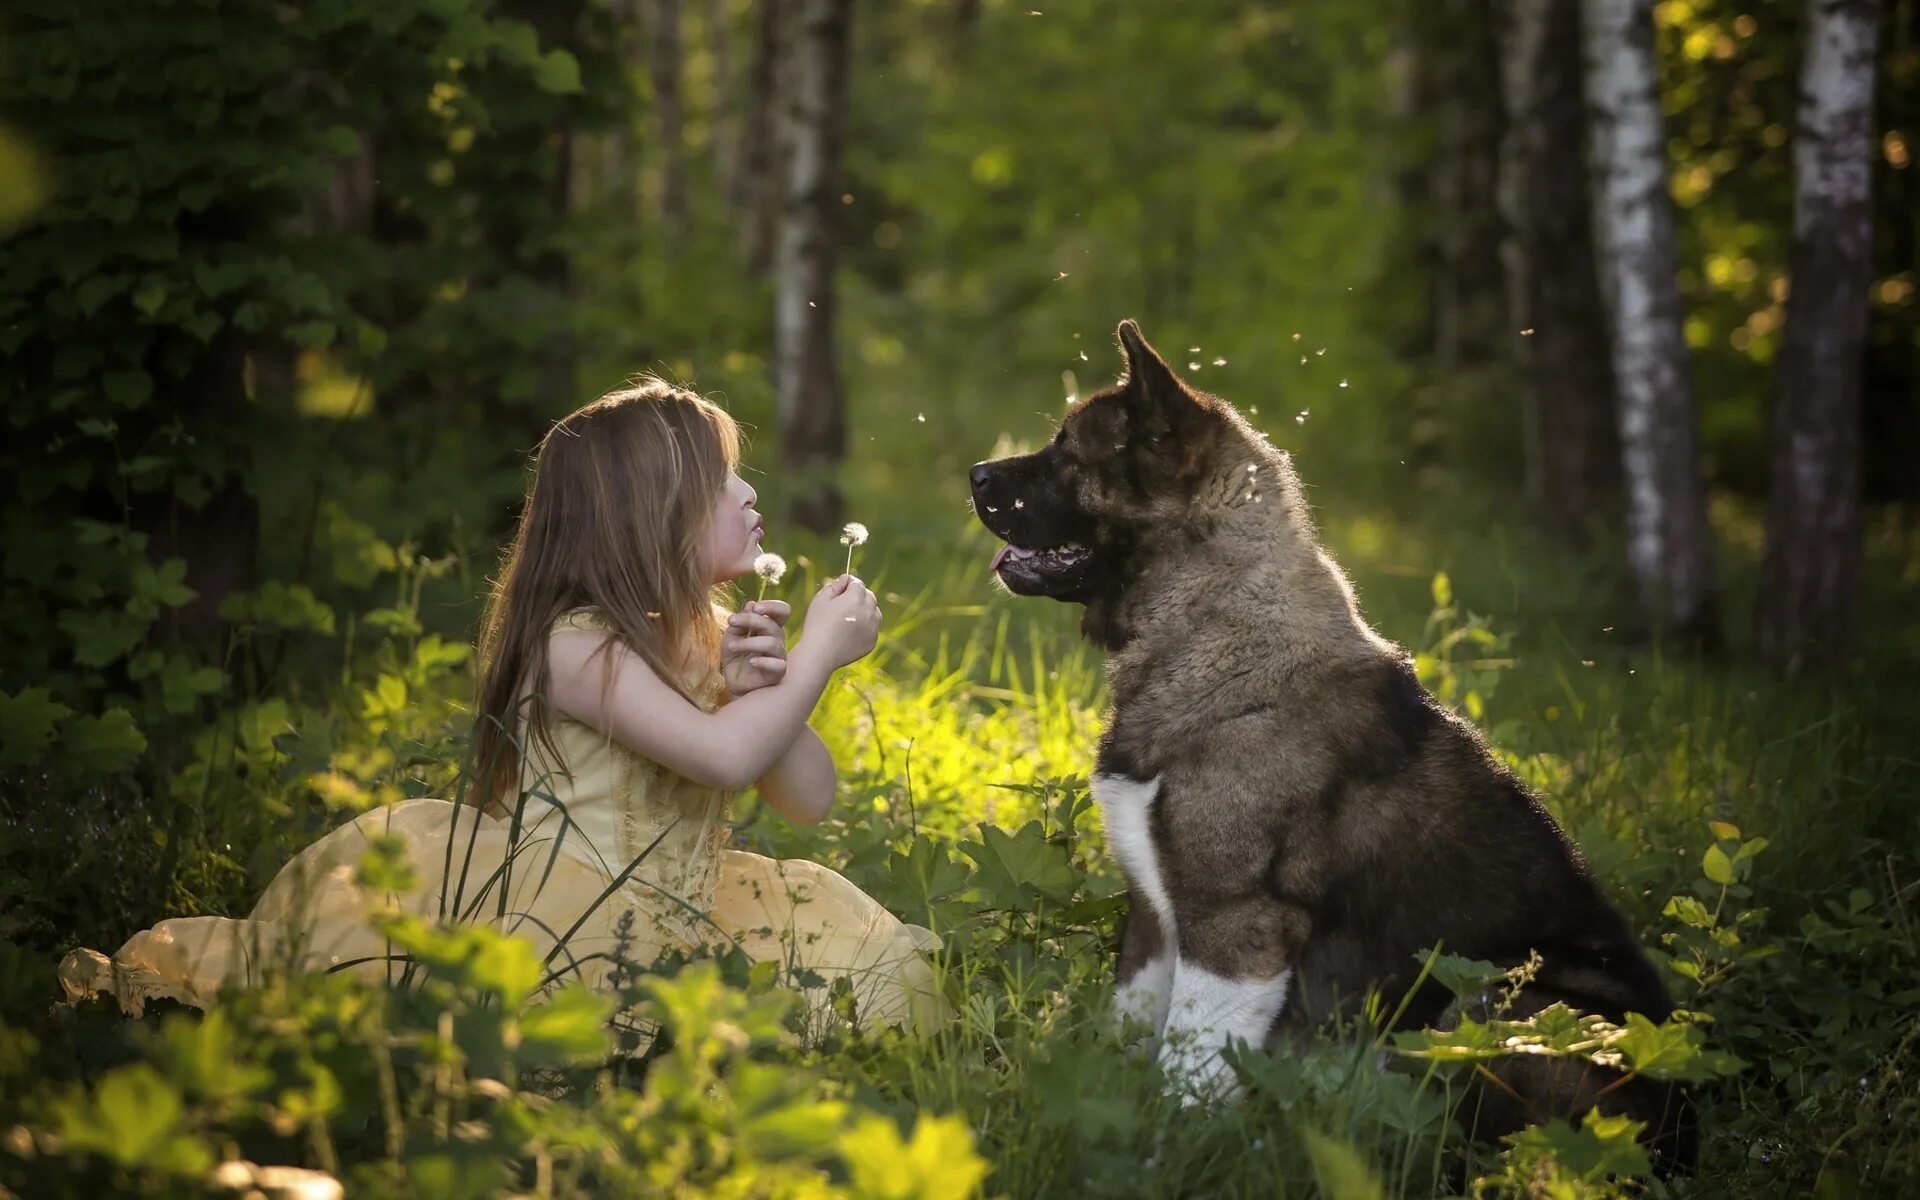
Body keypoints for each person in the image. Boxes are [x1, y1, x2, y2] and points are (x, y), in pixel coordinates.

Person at [59, 378, 945, 1036]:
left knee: (880, 978)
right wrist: (820, 659)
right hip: (568, 909)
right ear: (656, 513)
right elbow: (720, 760)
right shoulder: (576, 643)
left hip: (691, 905)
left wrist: (770, 689)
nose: (751, 496)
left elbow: (807, 797)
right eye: (725, 482)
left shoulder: (708, 631)